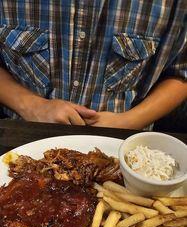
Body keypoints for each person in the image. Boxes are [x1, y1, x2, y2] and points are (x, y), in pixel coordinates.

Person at [0, 0, 186, 130]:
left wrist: (129, 121)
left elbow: (181, 73)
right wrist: (32, 106)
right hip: (23, 131)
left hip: (126, 141)